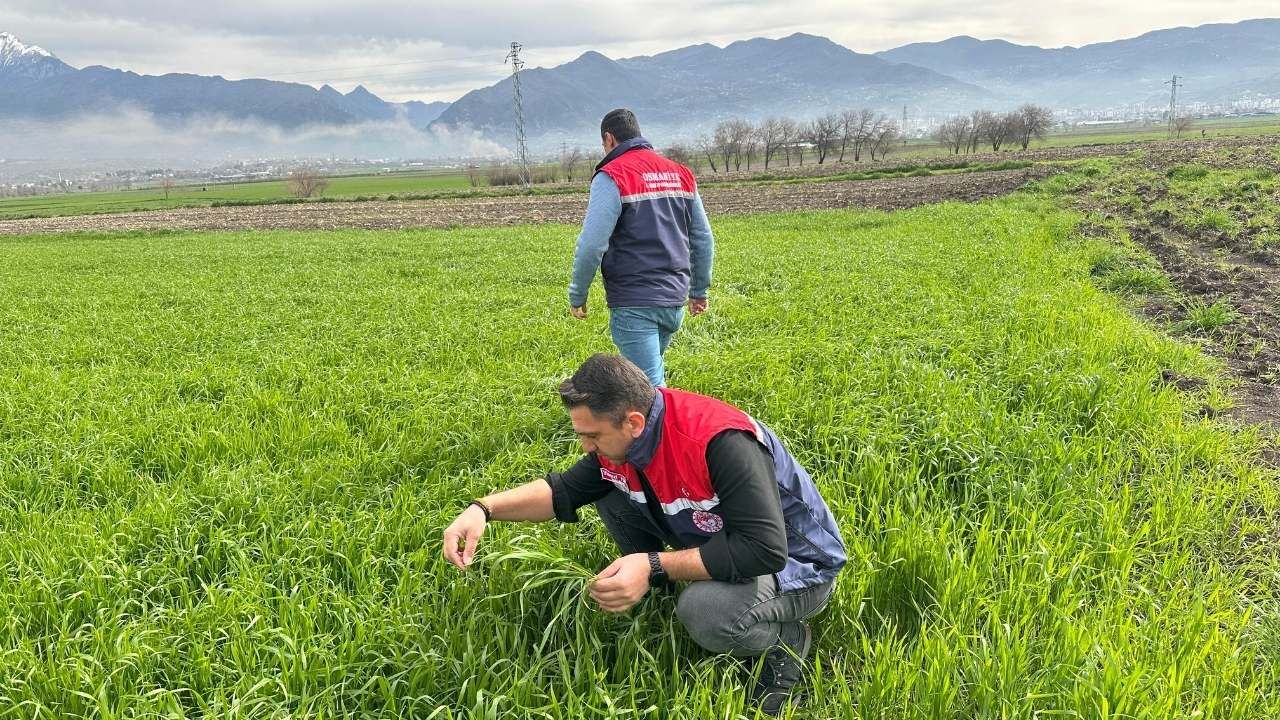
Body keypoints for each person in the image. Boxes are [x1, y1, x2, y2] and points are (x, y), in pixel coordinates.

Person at [442, 354, 846, 715]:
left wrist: (653, 564)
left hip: (798, 567)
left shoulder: (717, 442)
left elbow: (764, 549)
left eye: (593, 435)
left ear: (633, 422)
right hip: (727, 544)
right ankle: (656, 585)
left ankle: (787, 644)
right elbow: (562, 490)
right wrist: (483, 509)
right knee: (609, 489)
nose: (585, 447)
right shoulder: (629, 441)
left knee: (705, 611)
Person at [568, 109, 715, 386]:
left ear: (609, 139)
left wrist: (578, 293)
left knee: (649, 392)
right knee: (648, 378)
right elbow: (702, 238)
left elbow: (592, 244)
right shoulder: (680, 173)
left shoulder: (612, 175)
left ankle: (666, 428)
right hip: (674, 300)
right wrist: (699, 289)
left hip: (635, 302)